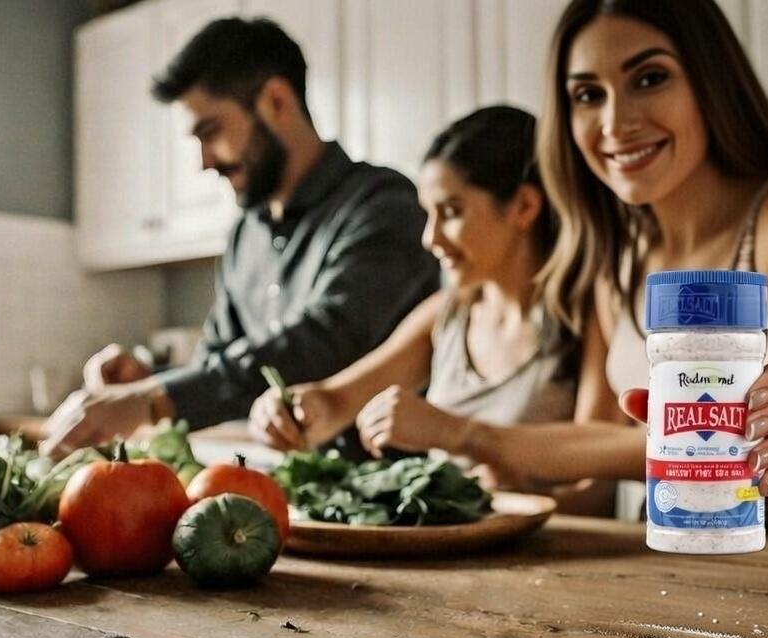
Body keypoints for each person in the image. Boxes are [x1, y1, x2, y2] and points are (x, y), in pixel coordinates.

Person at [346, 0, 768, 537]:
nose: (615, 123)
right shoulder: (614, 262)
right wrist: (476, 445)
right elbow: (595, 443)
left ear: (709, 81)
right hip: (671, 558)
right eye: (586, 95)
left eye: (649, 78)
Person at [39, 17, 440, 458]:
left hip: (390, 504)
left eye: (210, 132)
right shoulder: (244, 236)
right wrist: (151, 378)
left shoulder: (385, 205)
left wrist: (153, 399)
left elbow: (326, 341)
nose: (204, 162)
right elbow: (220, 359)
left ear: (275, 101)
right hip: (279, 490)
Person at [248, 106, 605, 504]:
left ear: (523, 207)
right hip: (447, 557)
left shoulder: (587, 317)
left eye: (451, 212)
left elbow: (597, 490)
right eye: (428, 214)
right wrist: (291, 411)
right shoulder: (445, 315)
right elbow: (336, 401)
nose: (430, 237)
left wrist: (500, 495)